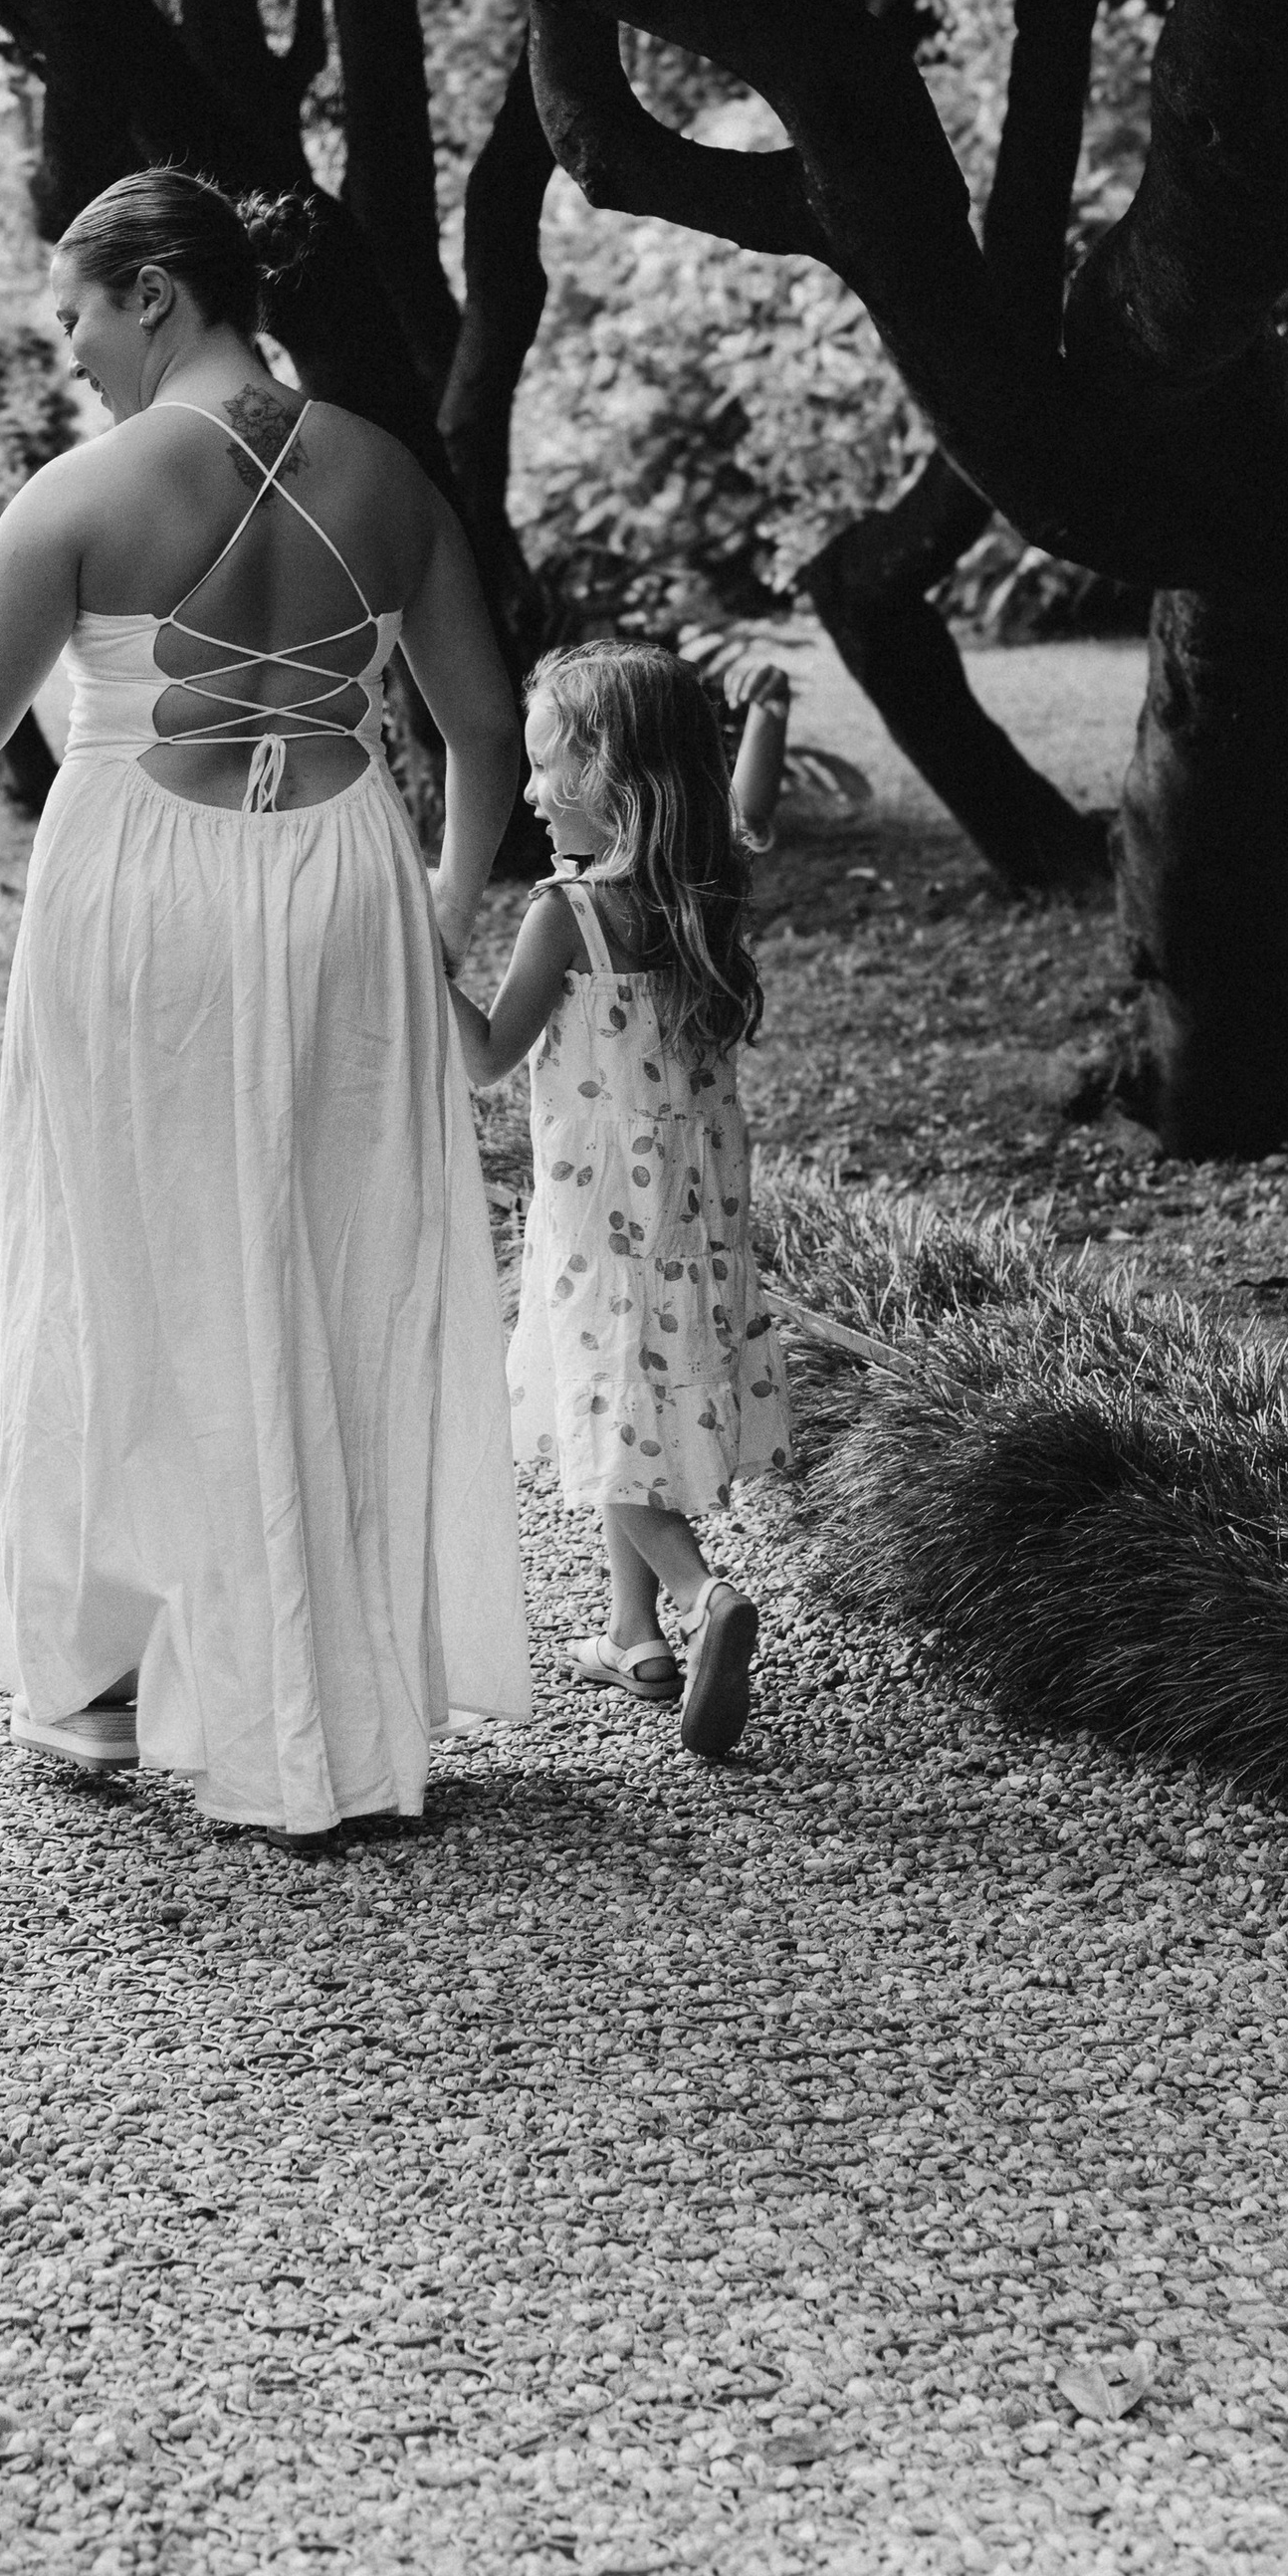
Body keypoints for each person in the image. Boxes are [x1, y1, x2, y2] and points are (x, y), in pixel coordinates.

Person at [0, 168, 532, 1836]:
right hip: (344, 882)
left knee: (130, 1253)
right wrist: (435, 910)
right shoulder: (388, 475)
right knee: (324, 1253)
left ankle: (120, 1679)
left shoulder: (79, 495)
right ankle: (321, 1680)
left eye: (72, 308)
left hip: (146, 890)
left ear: (153, 290)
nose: (65, 347)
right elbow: (485, 733)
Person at [447, 645, 793, 1761]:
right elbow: (748, 803)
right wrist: (767, 721)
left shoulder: (571, 913)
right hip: (697, 1208)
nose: (535, 794)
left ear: (620, 775)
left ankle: (701, 1600)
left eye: (550, 768)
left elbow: (491, 1057)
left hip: (598, 1210)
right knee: (629, 1400)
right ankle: (629, 1634)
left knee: (604, 1413)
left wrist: (417, 959)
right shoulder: (709, 883)